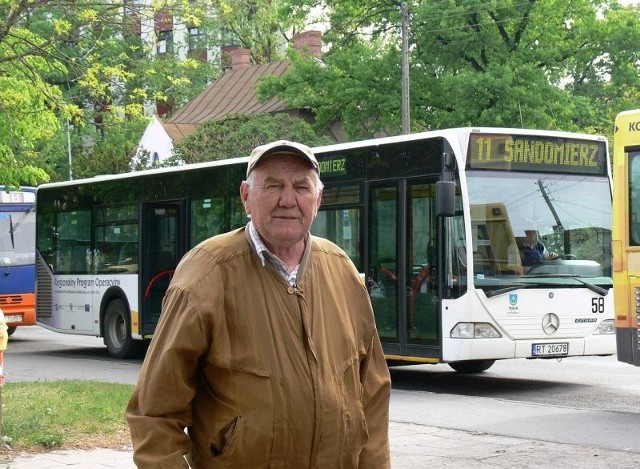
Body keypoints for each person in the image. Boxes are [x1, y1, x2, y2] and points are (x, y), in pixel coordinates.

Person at [126, 140, 391, 468]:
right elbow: (154, 414)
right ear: (246, 196)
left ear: (318, 199)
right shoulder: (206, 273)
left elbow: (374, 393)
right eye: (273, 185)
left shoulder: (342, 271)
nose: (288, 199)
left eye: (301, 186)